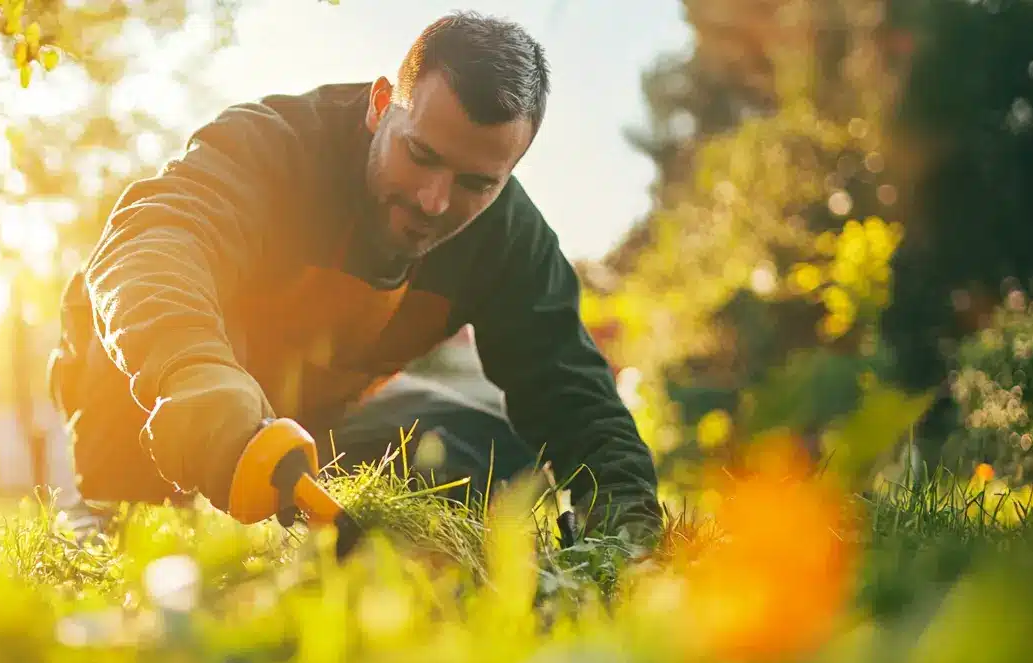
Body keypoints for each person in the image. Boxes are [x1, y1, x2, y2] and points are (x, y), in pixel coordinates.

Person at [48, 11, 662, 538]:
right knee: (136, 340)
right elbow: (153, 241)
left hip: (314, 414)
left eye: (476, 183)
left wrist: (628, 526)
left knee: (493, 460)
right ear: (379, 105)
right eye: (420, 155)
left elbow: (571, 391)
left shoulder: (508, 239)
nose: (433, 201)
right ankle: (106, 520)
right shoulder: (275, 145)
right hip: (161, 387)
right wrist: (194, 374)